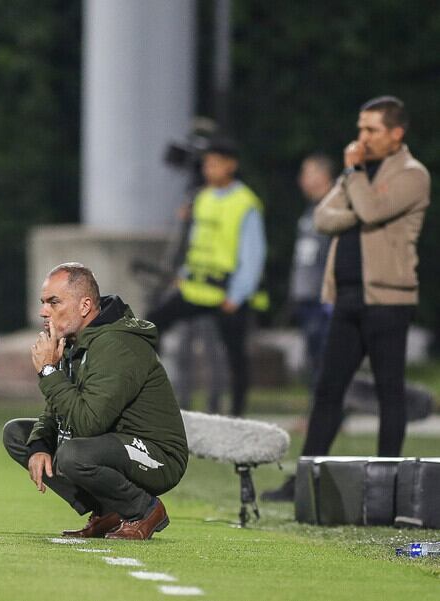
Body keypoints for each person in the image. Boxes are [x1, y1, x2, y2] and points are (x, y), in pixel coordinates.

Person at [263, 96, 430, 502]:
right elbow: (323, 217)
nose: (363, 138)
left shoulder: (412, 174)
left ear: (396, 133)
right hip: (347, 299)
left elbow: (373, 210)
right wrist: (357, 200)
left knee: (390, 392)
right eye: (361, 128)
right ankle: (305, 482)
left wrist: (354, 183)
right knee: (327, 389)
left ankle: (389, 488)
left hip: (388, 299)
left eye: (372, 130)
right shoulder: (357, 173)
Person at [3, 263, 188, 540]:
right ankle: (109, 509)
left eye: (54, 302)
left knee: (74, 454)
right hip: (111, 443)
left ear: (85, 305)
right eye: (43, 302)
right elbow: (60, 410)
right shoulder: (75, 340)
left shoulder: (117, 344)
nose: (44, 311)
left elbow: (89, 423)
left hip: (156, 455)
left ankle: (144, 510)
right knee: (19, 436)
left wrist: (48, 372)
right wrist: (40, 444)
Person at [146, 138, 267, 416]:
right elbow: (199, 243)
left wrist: (238, 295)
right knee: (153, 322)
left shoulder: (245, 203)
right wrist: (184, 275)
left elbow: (252, 254)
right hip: (197, 287)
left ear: (231, 166)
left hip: (227, 292)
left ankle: (238, 412)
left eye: (214, 164)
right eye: (207, 164)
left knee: (235, 354)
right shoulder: (203, 197)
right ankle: (152, 390)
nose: (208, 169)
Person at [290, 154, 334, 392]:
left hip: (323, 298)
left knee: (324, 358)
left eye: (307, 173)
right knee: (313, 357)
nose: (301, 180)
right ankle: (317, 411)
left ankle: (326, 413)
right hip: (307, 296)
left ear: (323, 175)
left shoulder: (335, 209)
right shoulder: (311, 210)